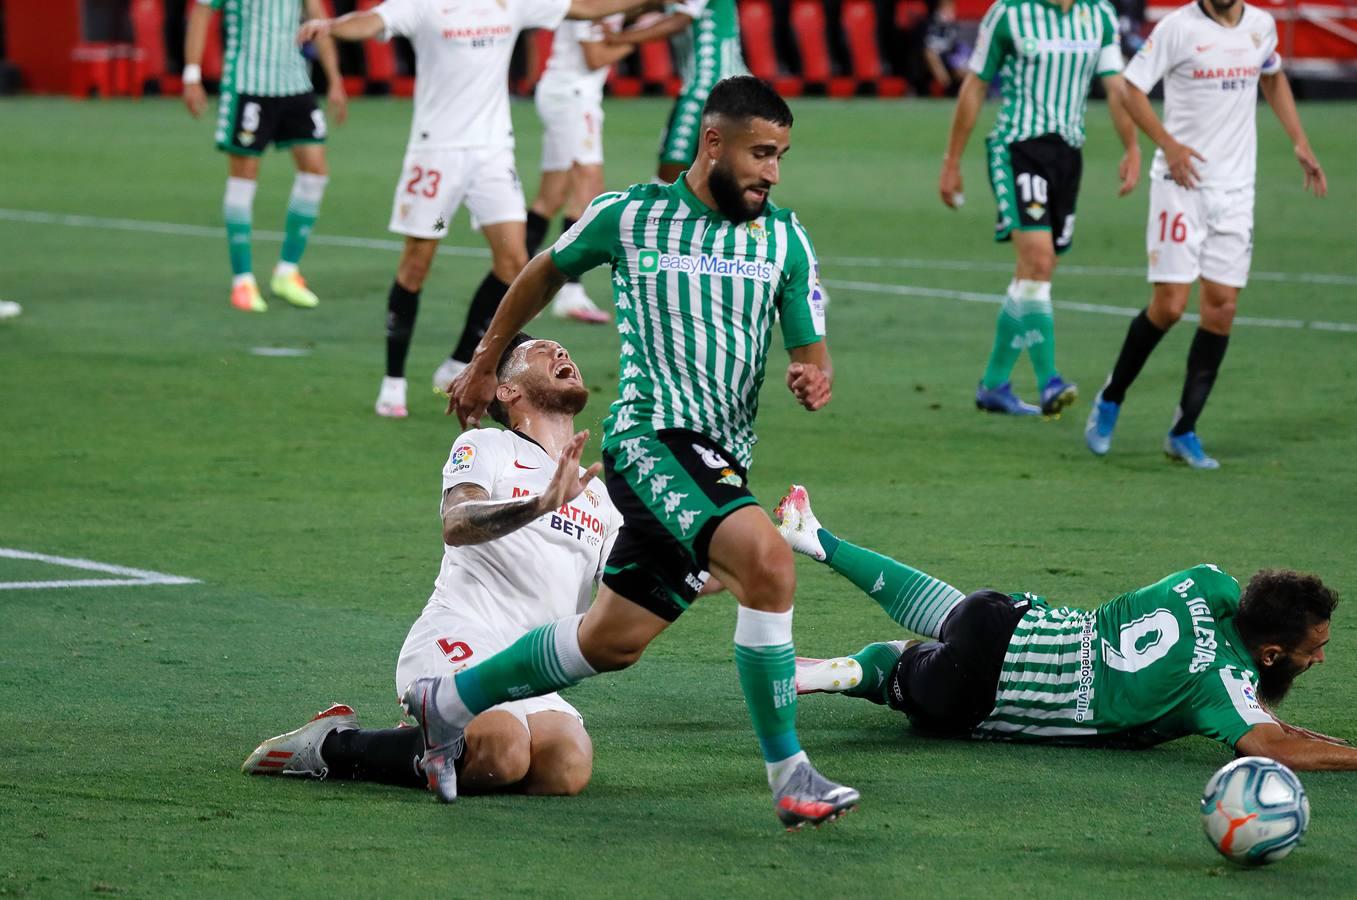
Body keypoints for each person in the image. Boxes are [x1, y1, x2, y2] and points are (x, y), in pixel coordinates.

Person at [400, 76, 856, 829]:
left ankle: (444, 703)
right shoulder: (632, 214)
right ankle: (789, 773)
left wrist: (813, 373)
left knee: (611, 642)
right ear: (714, 144)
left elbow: (810, 346)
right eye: (760, 154)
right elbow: (543, 269)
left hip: (723, 455)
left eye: (780, 157)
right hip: (652, 440)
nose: (772, 172)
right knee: (768, 564)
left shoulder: (785, 238)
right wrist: (484, 362)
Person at [243, 335, 622, 797]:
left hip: (529, 663)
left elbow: (625, 579)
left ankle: (439, 746)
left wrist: (710, 561)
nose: (563, 353)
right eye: (543, 350)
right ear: (507, 391)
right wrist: (539, 504)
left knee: (563, 770)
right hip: (461, 635)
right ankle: (332, 746)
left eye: (566, 349)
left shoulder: (598, 494)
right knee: (501, 751)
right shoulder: (487, 446)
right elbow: (457, 521)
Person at [777, 485, 1357, 769]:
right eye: (1315, 650)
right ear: (1273, 651)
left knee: (951, 613)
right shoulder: (1219, 688)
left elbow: (1252, 699)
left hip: (1006, 616)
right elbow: (1269, 744)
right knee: (897, 662)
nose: (1321, 659)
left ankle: (817, 539)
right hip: (988, 695)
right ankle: (853, 670)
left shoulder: (1209, 583)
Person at [296, 0, 646, 420]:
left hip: (493, 152)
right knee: (416, 264)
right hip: (436, 151)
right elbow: (371, 21)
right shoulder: (424, 6)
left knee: (513, 261)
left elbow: (587, 8)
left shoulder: (511, 4)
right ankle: (393, 382)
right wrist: (331, 26)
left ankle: (460, 360)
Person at [1084, 0, 1327, 469]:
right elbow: (1131, 90)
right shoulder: (1177, 28)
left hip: (1235, 191)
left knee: (1222, 309)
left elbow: (1272, 74)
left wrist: (1299, 139)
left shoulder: (1261, 26)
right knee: (1170, 305)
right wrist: (1168, 145)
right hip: (1180, 186)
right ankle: (1112, 396)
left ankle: (1184, 429)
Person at [939, 0, 1140, 417]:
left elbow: (1117, 86)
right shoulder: (1008, 14)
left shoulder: (1098, 14)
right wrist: (952, 161)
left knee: (1032, 272)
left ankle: (993, 385)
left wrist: (1132, 146)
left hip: (1068, 154)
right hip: (1018, 148)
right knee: (1040, 261)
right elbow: (975, 85)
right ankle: (1049, 380)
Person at [183, 0, 347, 313]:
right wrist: (192, 76)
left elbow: (318, 17)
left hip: (295, 82)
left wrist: (334, 77)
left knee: (316, 172)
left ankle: (287, 272)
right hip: (248, 84)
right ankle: (242, 280)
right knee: (244, 176)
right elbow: (201, 11)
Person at [524, 14, 635, 324]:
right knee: (589, 185)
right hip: (572, 97)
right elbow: (595, 57)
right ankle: (570, 291)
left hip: (568, 94)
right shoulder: (589, 5)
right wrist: (635, 40)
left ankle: (512, 282)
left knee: (552, 195)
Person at [603, 0, 748, 184]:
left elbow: (679, 21)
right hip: (728, 89)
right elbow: (651, 4)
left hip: (709, 90)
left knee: (670, 177)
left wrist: (619, 37)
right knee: (723, 182)